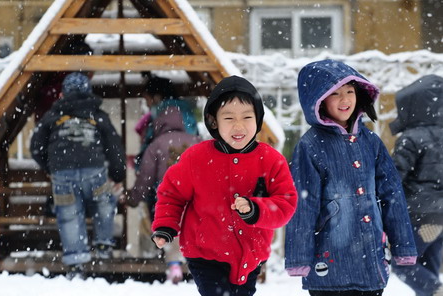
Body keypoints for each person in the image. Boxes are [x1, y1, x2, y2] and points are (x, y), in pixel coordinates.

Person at [151, 75, 298, 295]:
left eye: (247, 117)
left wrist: (256, 209)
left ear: (257, 120)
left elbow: (285, 203)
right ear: (213, 122)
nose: (239, 126)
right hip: (205, 253)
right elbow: (172, 192)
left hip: (251, 254)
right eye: (229, 118)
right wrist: (166, 225)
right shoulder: (196, 158)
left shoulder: (270, 160)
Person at [285, 59, 417, 296]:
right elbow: (304, 203)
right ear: (319, 100)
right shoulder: (311, 145)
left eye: (349, 91)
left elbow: (392, 195)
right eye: (335, 93)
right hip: (329, 260)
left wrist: (402, 245)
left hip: (371, 262)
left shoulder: (371, 142)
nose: (345, 99)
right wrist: (298, 257)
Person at [30, 72, 126, 279]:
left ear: (63, 93)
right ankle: (103, 246)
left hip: (62, 173)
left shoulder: (52, 115)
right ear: (88, 91)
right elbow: (114, 146)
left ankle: (75, 262)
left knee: (69, 215)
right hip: (94, 171)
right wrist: (117, 174)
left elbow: (35, 147)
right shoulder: (98, 114)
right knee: (104, 202)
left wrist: (51, 167)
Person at [127, 104, 201, 283]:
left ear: (159, 123)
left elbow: (146, 176)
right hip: (195, 194)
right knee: (193, 227)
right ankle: (195, 262)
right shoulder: (196, 141)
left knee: (170, 227)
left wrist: (134, 198)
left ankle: (174, 264)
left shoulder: (157, 144)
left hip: (168, 195)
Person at [389, 74, 443, 296]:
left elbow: (394, 178)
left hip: (419, 214)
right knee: (428, 264)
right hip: (440, 216)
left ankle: (435, 289)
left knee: (402, 263)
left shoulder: (411, 138)